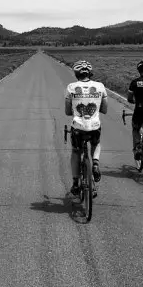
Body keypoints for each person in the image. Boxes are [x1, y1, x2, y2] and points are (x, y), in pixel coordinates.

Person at [64, 60, 108, 196]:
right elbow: (105, 110)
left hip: (78, 126)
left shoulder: (71, 87)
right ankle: (95, 163)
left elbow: (67, 112)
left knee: (76, 152)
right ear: (90, 73)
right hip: (94, 126)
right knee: (96, 143)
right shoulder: (100, 86)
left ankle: (76, 182)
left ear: (76, 73)